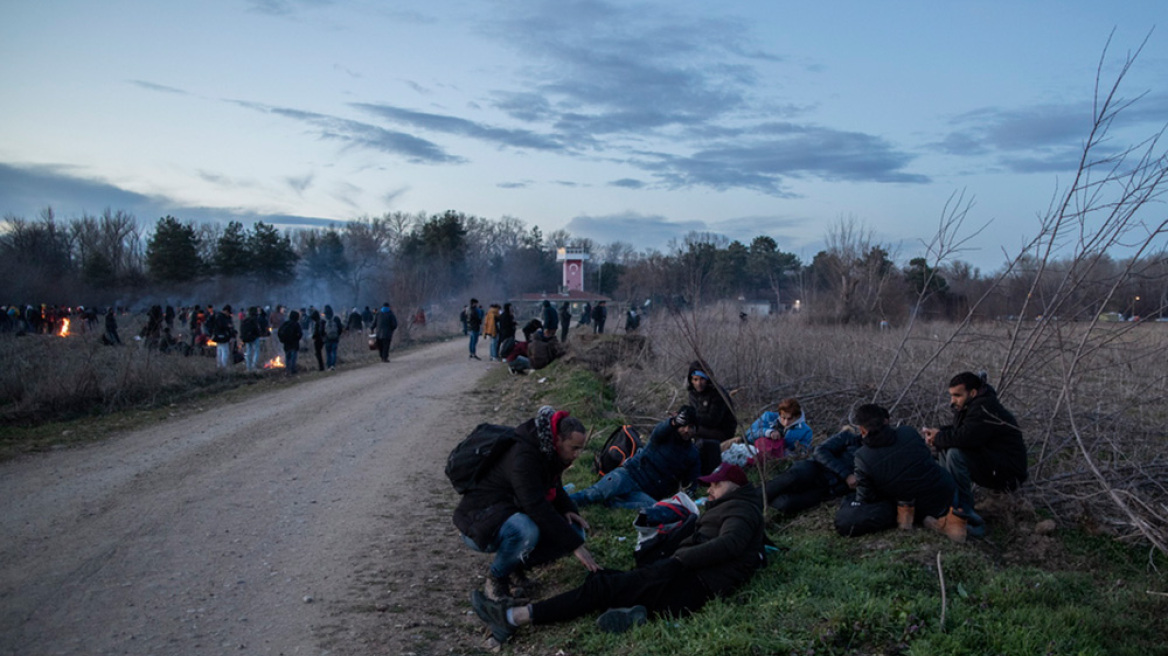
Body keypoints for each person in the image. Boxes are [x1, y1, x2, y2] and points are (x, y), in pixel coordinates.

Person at [470, 462, 766, 645]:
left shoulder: (741, 510)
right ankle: (634, 613)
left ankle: (512, 617)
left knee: (601, 586)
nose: (710, 489)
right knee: (602, 580)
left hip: (694, 581)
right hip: (685, 577)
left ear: (736, 485)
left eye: (717, 484)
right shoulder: (731, 505)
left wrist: (680, 559)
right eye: (710, 484)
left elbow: (731, 544)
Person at [454, 406, 600, 603]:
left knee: (575, 530)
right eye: (574, 448)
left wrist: (568, 509)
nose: (577, 454)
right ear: (558, 439)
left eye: (580, 449)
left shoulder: (548, 451)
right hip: (480, 521)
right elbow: (536, 506)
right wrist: (575, 546)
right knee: (526, 530)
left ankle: (515, 568)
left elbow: (554, 485)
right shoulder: (524, 457)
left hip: (508, 513)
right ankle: (497, 580)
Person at [834, 404, 960, 540]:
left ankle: (924, 519)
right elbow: (927, 460)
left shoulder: (862, 457)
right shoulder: (908, 432)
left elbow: (867, 497)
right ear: (885, 420)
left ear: (862, 430)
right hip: (946, 493)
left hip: (915, 507)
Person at [922, 372, 1027, 533]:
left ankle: (966, 516)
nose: (952, 401)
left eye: (957, 395)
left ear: (972, 393)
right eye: (951, 395)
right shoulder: (971, 406)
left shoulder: (984, 408)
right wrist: (938, 434)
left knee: (955, 454)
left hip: (1007, 471)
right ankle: (949, 509)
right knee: (945, 449)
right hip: (993, 461)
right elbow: (962, 432)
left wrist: (939, 437)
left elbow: (967, 438)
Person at [570, 406, 701, 510]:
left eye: (691, 427)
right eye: (683, 426)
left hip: (645, 492)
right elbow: (659, 430)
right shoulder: (664, 435)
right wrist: (673, 422)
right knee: (594, 494)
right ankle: (563, 503)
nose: (686, 430)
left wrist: (689, 494)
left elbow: (691, 482)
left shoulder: (692, 454)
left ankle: (611, 503)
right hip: (628, 475)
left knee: (654, 507)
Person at [763, 427, 862, 515]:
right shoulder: (850, 437)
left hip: (828, 488)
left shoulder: (871, 459)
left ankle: (765, 506)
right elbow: (820, 451)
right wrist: (846, 475)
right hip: (814, 468)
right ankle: (756, 499)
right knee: (792, 479)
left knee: (786, 504)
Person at [277, 310, 303, 374]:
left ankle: (287, 370)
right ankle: (292, 370)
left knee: (287, 357)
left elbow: (279, 332)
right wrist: (297, 338)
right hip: (294, 344)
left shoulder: (285, 323)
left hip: (286, 344)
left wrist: (283, 340)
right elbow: (300, 334)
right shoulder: (296, 324)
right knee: (293, 358)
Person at [211, 304, 237, 368]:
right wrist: (228, 326)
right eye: (228, 312)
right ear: (226, 311)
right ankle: (223, 366)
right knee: (225, 352)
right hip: (223, 336)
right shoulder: (220, 317)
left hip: (218, 336)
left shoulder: (218, 316)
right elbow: (221, 326)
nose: (229, 314)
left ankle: (219, 366)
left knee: (219, 351)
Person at [321, 305, 343, 370]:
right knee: (334, 352)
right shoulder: (336, 318)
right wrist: (338, 335)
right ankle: (333, 365)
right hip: (335, 338)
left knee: (328, 353)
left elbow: (321, 331)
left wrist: (323, 337)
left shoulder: (323, 320)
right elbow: (340, 328)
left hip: (327, 339)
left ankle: (329, 365)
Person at [240, 306, 262, 371]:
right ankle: (254, 365)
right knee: (256, 351)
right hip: (254, 337)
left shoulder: (245, 319)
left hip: (247, 338)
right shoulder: (255, 319)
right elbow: (256, 328)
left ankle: (248, 367)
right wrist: (258, 333)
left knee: (248, 351)